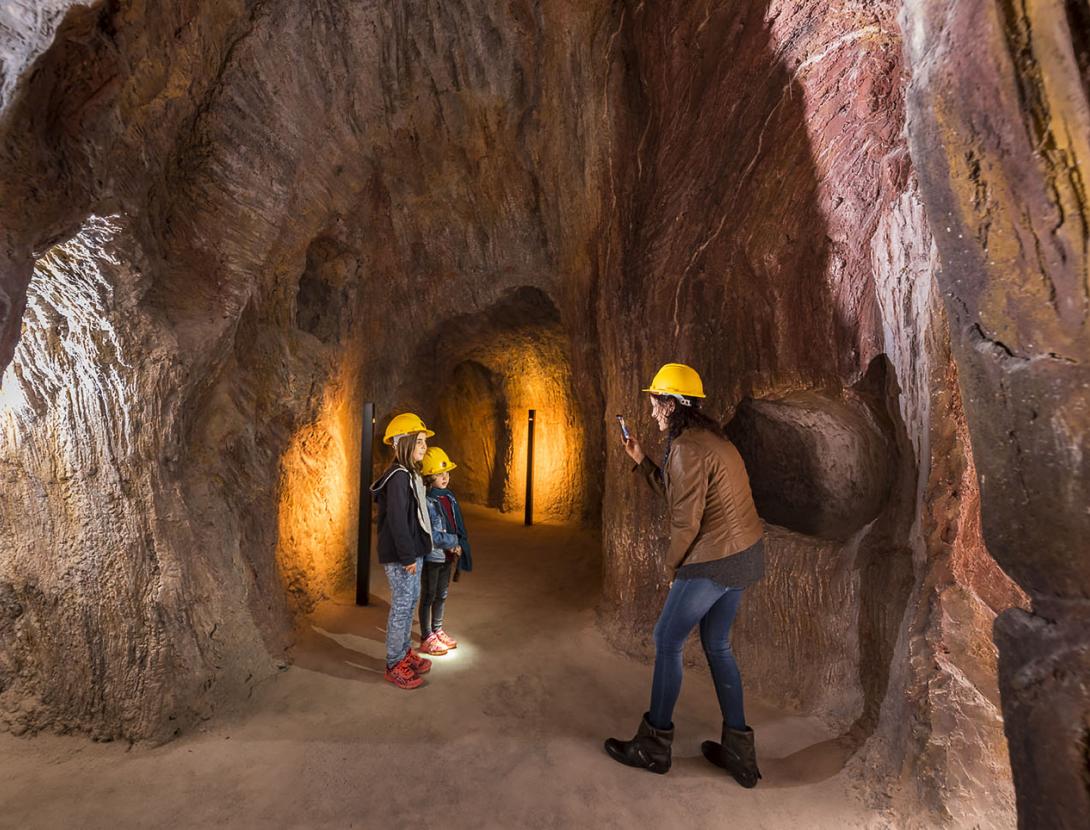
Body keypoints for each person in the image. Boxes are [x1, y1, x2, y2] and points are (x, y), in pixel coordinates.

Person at [604, 363, 766, 787]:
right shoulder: (708, 439)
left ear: (673, 404)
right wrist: (641, 460)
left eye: (656, 402)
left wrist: (673, 569)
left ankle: (653, 746)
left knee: (666, 639)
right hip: (744, 555)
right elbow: (680, 494)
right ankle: (739, 751)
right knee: (717, 644)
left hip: (715, 559)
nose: (652, 410)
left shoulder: (688, 448)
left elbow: (685, 522)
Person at [369, 412, 436, 690]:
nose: (424, 446)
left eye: (424, 441)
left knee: (410, 602)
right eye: (419, 441)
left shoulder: (409, 474)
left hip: (411, 552)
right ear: (404, 443)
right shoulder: (398, 477)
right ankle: (394, 663)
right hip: (401, 556)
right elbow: (397, 521)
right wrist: (408, 556)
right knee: (401, 606)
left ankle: (405, 652)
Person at [418, 447, 464, 655]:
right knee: (429, 595)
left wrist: (457, 543)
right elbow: (433, 535)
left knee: (442, 594)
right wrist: (453, 541)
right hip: (433, 556)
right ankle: (426, 636)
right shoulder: (428, 502)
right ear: (429, 477)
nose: (445, 477)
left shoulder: (448, 498)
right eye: (439, 474)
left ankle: (437, 630)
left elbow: (453, 525)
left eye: (447, 472)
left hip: (446, 555)